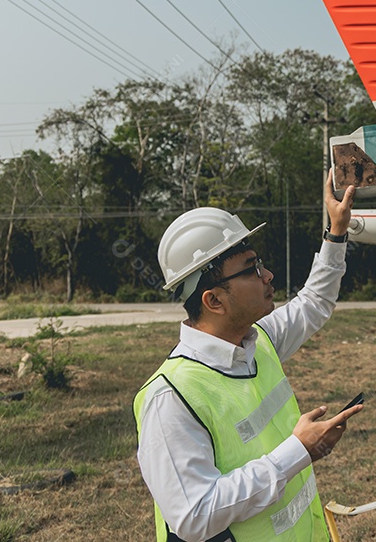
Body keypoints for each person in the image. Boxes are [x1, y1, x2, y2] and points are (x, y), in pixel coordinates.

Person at [135, 174, 362, 542]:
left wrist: (335, 233)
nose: (267, 275)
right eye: (251, 268)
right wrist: (297, 451)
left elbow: (314, 303)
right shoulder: (171, 398)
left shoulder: (257, 342)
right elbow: (194, 516)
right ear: (214, 300)